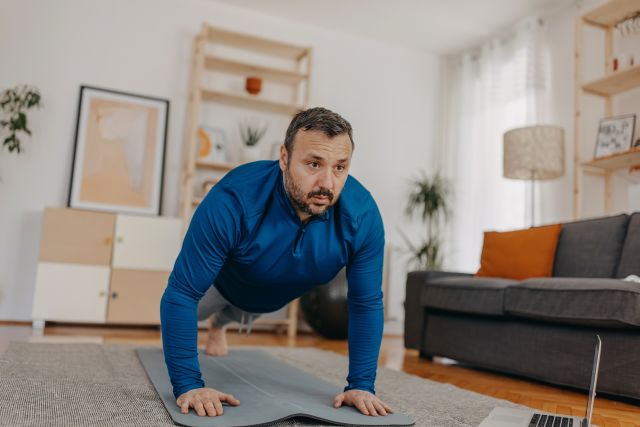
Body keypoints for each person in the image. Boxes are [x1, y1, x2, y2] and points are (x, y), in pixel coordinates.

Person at [160, 107, 393, 418]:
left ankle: (221, 326)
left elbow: (366, 303)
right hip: (222, 284)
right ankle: (216, 322)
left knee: (246, 311)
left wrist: (362, 384)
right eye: (313, 164)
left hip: (276, 297)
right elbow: (181, 294)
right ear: (284, 158)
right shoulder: (233, 199)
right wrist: (189, 384)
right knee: (187, 311)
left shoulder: (362, 215)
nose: (328, 182)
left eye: (340, 167)